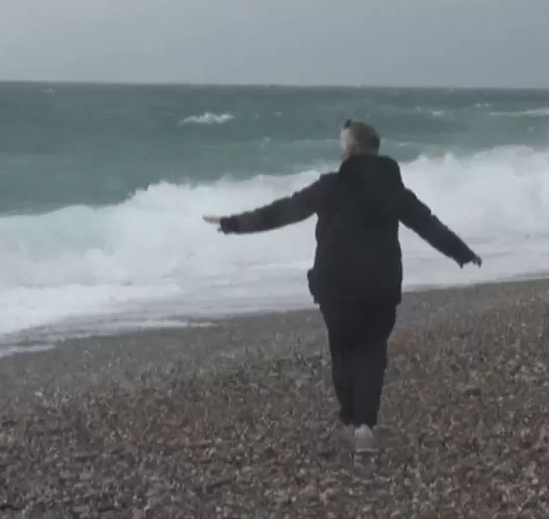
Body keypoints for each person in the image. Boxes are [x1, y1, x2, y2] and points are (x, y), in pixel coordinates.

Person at [204, 119, 481, 453]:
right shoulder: (393, 189)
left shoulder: (330, 186)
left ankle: (351, 421)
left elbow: (281, 213)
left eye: (342, 143)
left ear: (350, 149)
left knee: (344, 352)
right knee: (373, 353)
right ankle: (365, 425)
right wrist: (461, 253)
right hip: (381, 285)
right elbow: (427, 224)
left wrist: (232, 224)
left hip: (337, 286)